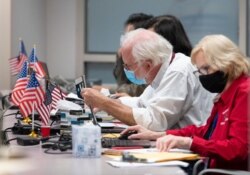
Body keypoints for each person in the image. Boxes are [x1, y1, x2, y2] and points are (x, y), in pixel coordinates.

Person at [121, 34, 250, 170]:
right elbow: (206, 132)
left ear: (226, 63)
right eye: (200, 71)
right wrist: (158, 135)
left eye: (206, 69)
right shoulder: (225, 93)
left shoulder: (244, 93)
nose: (203, 76)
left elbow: (238, 150)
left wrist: (189, 143)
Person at [81, 28, 214, 131]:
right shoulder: (163, 69)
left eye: (128, 65)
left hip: (188, 154)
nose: (126, 70)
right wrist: (107, 100)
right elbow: (141, 104)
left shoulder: (178, 72)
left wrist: (105, 103)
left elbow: (155, 122)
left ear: (148, 65)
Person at [113, 13, 153, 97]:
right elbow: (122, 84)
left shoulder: (151, 59)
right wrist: (122, 59)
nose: (125, 39)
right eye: (125, 35)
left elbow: (143, 89)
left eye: (129, 36)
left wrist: (108, 93)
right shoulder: (125, 55)